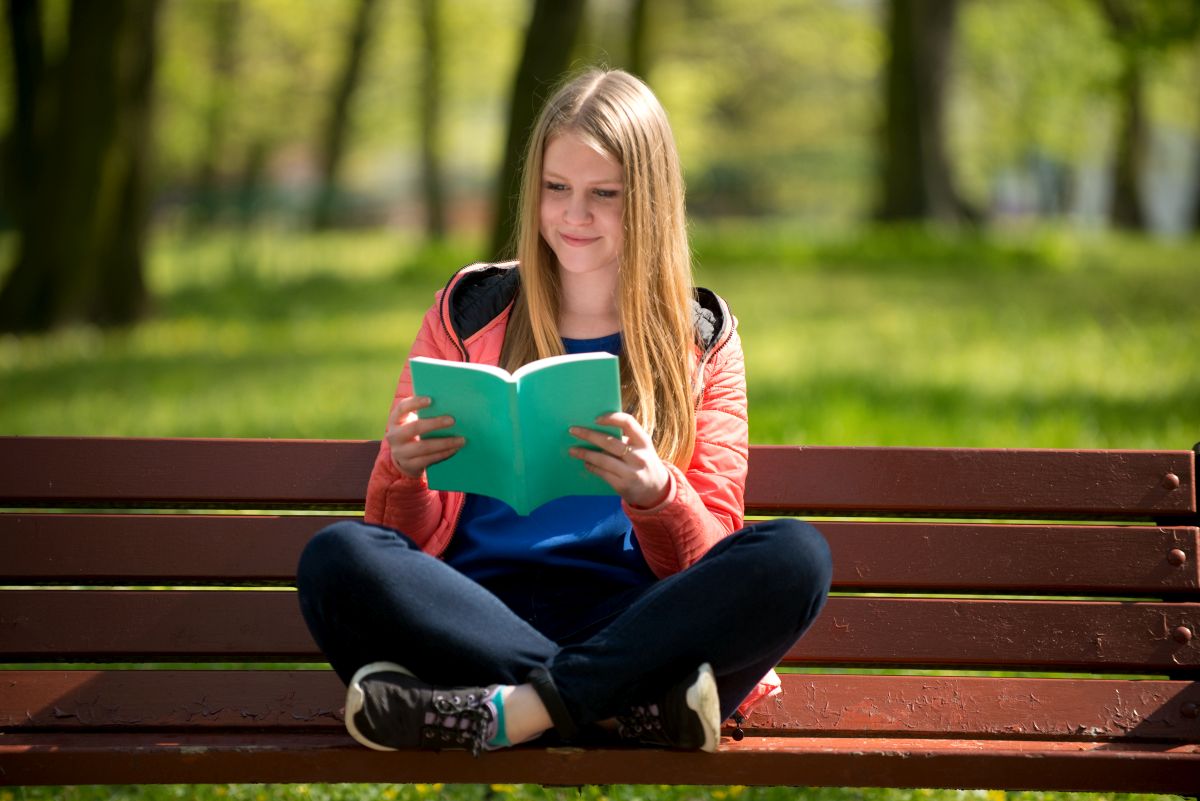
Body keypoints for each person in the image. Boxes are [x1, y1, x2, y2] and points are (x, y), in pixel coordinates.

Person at [296, 68, 831, 756]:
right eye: (557, 188)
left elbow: (713, 552)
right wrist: (403, 472)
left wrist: (657, 492)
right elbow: (400, 540)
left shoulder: (702, 336)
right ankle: (620, 710)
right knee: (336, 558)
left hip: (633, 618)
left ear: (650, 201)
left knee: (796, 556)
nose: (574, 215)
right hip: (473, 610)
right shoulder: (468, 310)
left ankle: (509, 713)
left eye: (603, 194)